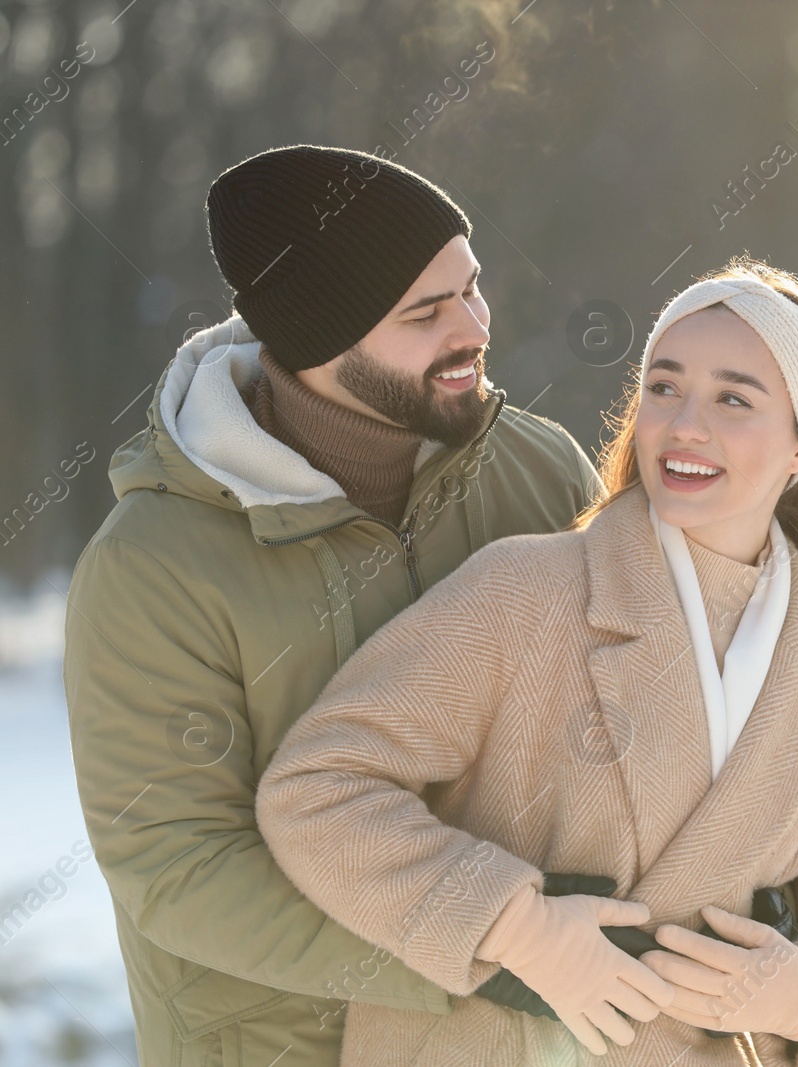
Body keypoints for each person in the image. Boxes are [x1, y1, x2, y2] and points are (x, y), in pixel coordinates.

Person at [255, 257, 798, 1066]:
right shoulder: (523, 591)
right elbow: (316, 788)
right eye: (664, 388)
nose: (684, 425)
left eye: (733, 399)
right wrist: (513, 926)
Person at [62, 144, 602, 1067]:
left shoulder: (543, 472)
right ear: (318, 340)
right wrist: (480, 945)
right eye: (425, 313)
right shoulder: (155, 567)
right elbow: (180, 867)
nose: (473, 326)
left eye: (472, 287)